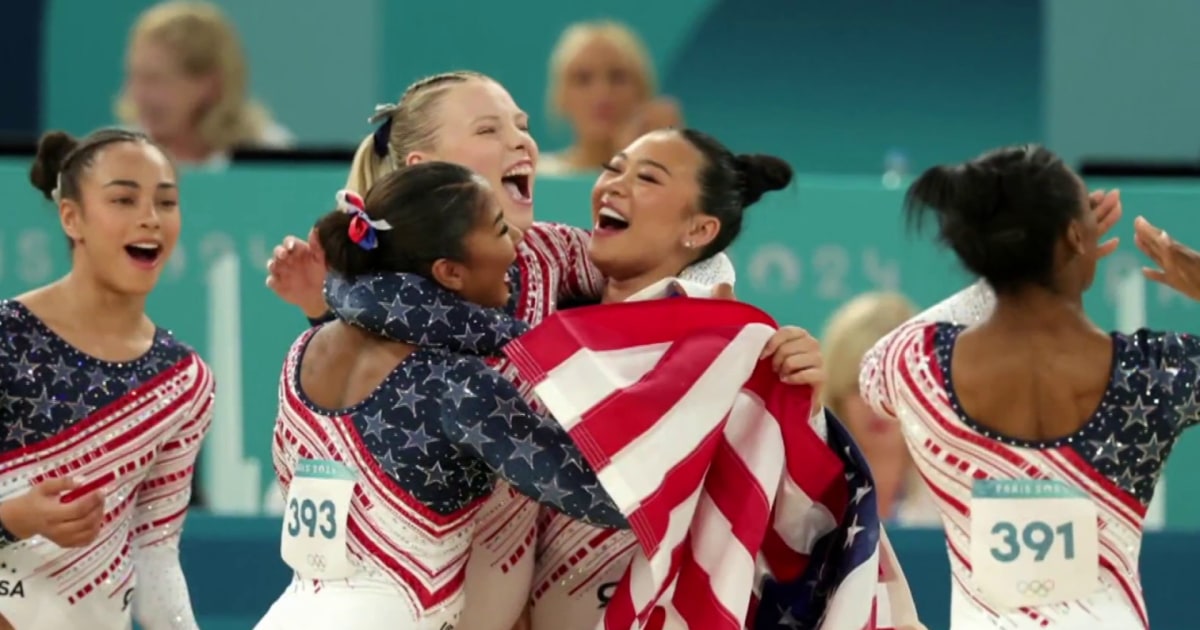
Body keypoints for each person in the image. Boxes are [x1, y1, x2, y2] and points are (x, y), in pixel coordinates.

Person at [263, 70, 732, 630]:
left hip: (464, 586)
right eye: (489, 129)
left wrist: (722, 307)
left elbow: (671, 255)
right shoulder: (407, 338)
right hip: (409, 590)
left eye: (523, 126)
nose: (520, 141)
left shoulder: (548, 252)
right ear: (427, 169)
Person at [257, 161, 642, 630]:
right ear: (450, 271)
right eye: (501, 229)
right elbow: (602, 494)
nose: (517, 242)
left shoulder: (304, 350)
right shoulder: (454, 385)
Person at [859, 144, 1176, 629]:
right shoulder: (1151, 371)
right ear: (1076, 234)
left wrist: (1005, 273)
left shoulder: (916, 368)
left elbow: (872, 366)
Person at [0, 129, 212, 629]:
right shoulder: (6, 336)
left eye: (166, 201)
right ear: (71, 217)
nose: (150, 218)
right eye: (123, 198)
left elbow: (156, 557)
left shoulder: (183, 381)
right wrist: (17, 518)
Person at [117, 0, 293, 166]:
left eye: (155, 79)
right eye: (134, 77)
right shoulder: (114, 159)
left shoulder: (271, 157)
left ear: (210, 84)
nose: (138, 94)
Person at [821, 292, 939, 526]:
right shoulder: (807, 495)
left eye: (889, 385)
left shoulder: (958, 491)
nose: (874, 403)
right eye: (858, 386)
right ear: (837, 395)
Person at [538, 20, 684, 176]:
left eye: (617, 77)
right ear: (561, 96)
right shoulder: (537, 177)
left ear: (642, 91)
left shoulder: (673, 180)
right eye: (583, 79)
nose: (602, 93)